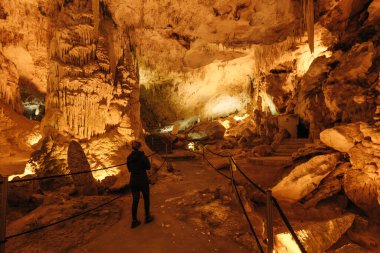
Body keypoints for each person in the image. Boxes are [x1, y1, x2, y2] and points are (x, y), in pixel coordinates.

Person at [127, 140, 154, 228]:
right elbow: (148, 167)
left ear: (132, 147)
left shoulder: (129, 157)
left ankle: (134, 221)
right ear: (139, 146)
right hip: (142, 180)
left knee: (135, 200)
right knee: (146, 198)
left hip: (133, 180)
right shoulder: (143, 156)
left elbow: (129, 169)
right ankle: (147, 217)